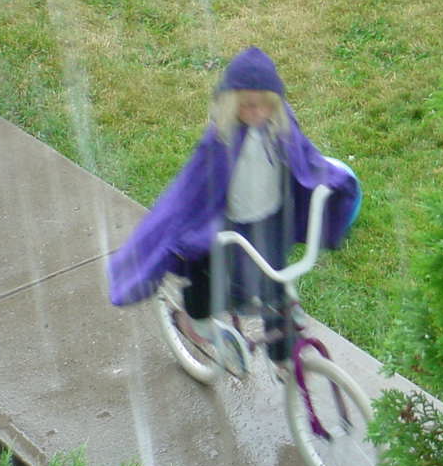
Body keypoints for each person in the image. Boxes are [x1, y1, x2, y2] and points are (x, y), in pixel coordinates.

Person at [108, 46, 360, 373]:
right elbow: (195, 185)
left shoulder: (280, 126)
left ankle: (283, 357)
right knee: (214, 276)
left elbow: (304, 157)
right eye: (247, 106)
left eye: (264, 106)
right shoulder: (222, 139)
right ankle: (193, 320)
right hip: (228, 222)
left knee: (274, 281)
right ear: (232, 104)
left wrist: (329, 180)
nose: (256, 113)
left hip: (269, 218)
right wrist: (184, 227)